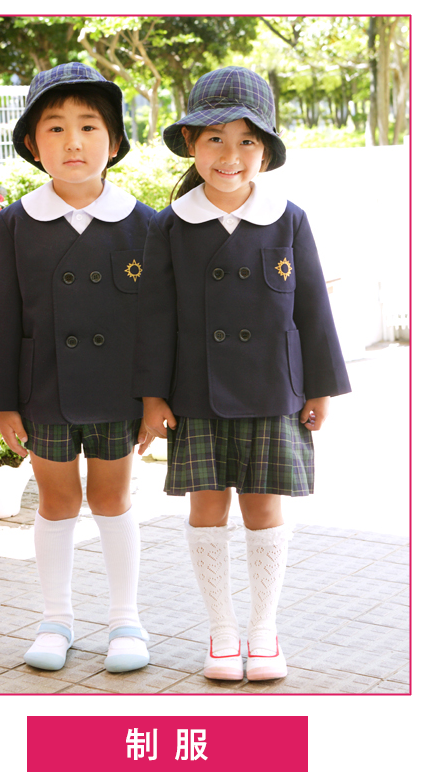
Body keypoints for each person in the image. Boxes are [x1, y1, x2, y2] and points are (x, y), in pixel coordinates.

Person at [132, 66, 351, 682]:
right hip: (196, 394)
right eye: (215, 139)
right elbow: (154, 318)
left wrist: (320, 387)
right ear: (190, 143)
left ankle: (263, 630)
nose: (230, 156)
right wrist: (152, 397)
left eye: (247, 141)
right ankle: (222, 631)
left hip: (273, 390)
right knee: (207, 508)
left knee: (263, 510)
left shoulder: (289, 219)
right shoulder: (170, 225)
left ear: (266, 151)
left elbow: (312, 308)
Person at [0, 63, 155, 673]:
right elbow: (0, 317)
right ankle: (56, 619)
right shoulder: (14, 222)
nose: (73, 142)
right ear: (33, 144)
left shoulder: (144, 224)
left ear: (115, 141)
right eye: (55, 128)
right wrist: (3, 401)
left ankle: (126, 620)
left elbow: (159, 321)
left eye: (89, 126)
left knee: (112, 498)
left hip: (118, 393)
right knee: (56, 502)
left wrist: (155, 396)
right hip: (44, 391)